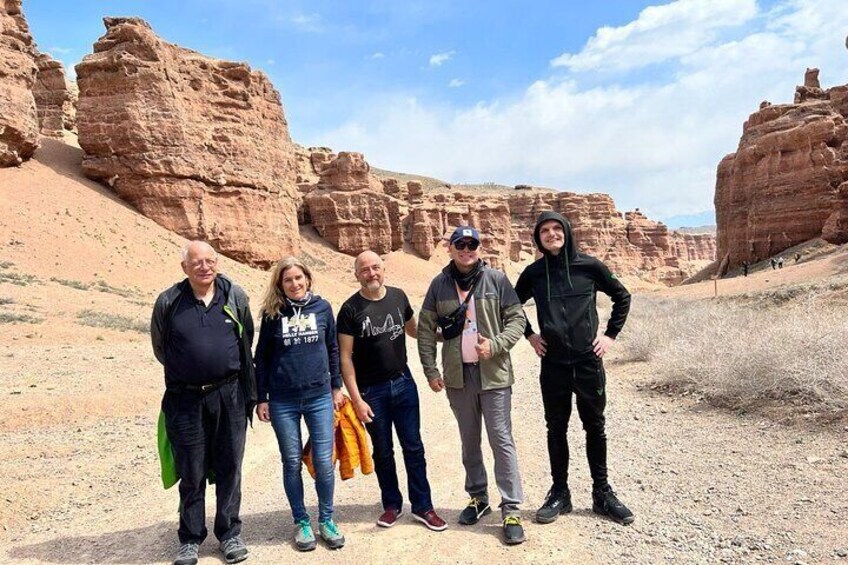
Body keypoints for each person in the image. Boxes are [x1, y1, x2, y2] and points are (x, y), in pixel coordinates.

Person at [515, 212, 633, 526]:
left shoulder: (589, 266)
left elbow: (622, 296)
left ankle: (602, 493)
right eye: (545, 231)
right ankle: (560, 493)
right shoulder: (534, 273)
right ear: (538, 239)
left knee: (595, 426)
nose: (551, 234)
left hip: (587, 362)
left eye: (557, 228)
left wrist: (609, 336)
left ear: (567, 231)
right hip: (553, 364)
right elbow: (510, 306)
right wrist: (530, 335)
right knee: (556, 428)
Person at [418, 226, 528, 545]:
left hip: (494, 376)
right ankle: (478, 498)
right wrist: (430, 369)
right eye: (460, 244)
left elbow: (517, 320)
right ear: (450, 248)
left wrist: (494, 345)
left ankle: (511, 509)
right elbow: (426, 330)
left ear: (480, 248)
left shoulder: (496, 280)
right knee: (469, 440)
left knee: (501, 440)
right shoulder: (439, 285)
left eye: (472, 244)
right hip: (457, 376)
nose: (466, 249)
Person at [151, 241, 254, 565]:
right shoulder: (169, 302)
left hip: (230, 394)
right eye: (197, 262)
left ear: (217, 263)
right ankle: (190, 538)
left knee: (230, 466)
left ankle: (229, 533)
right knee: (191, 468)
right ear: (185, 267)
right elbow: (160, 348)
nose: (204, 267)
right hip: (185, 398)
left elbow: (246, 340)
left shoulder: (234, 296)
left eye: (210, 261)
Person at [337, 251, 447, 532]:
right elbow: (345, 358)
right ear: (356, 274)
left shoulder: (398, 297)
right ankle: (392, 505)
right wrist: (357, 400)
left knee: (414, 446)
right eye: (365, 270)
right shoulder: (350, 310)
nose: (371, 273)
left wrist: (441, 336)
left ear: (383, 269)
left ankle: (423, 506)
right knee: (383, 451)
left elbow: (413, 330)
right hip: (371, 391)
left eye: (376, 267)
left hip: (403, 383)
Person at [254, 257, 346, 552]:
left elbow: (332, 347)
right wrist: (261, 398)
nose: (294, 284)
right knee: (291, 461)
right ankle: (302, 521)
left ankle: (327, 520)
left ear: (307, 279)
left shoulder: (323, 308)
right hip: (283, 400)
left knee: (323, 461)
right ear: (280, 285)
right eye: (287, 280)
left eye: (298, 278)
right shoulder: (272, 314)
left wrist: (336, 387)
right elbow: (262, 357)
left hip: (319, 396)